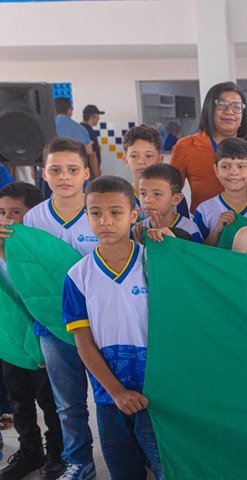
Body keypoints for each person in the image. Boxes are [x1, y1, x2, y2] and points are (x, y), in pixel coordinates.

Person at [62, 175, 163, 479]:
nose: (105, 221)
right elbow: (84, 342)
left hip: (157, 393)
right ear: (86, 215)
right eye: (96, 213)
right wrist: (116, 391)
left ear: (134, 215)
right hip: (109, 396)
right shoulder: (78, 276)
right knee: (123, 468)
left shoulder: (155, 264)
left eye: (116, 212)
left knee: (165, 466)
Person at [19, 138, 97, 478]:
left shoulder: (101, 209)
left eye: (71, 169)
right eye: (55, 170)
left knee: (113, 396)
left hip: (102, 321)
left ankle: (130, 453)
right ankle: (79, 460)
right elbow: (29, 277)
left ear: (86, 173)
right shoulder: (34, 218)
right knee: (67, 401)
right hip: (54, 325)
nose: (63, 177)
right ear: (43, 173)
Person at [0, 182, 65, 480]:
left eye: (15, 212)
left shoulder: (39, 251)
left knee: (49, 400)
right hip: (10, 341)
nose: (6, 219)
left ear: (32, 215)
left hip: (43, 340)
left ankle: (57, 452)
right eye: (1, 212)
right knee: (19, 398)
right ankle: (29, 450)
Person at [170, 81, 247, 212]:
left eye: (237, 106)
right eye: (222, 104)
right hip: (204, 226)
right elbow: (170, 192)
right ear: (209, 109)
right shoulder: (187, 146)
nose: (230, 111)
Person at [193, 138, 247, 246]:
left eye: (241, 166)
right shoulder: (204, 210)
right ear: (216, 170)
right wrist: (216, 230)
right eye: (225, 166)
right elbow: (198, 252)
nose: (233, 172)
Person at [123, 125, 190, 219]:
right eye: (134, 156)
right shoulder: (121, 197)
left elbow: (185, 231)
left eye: (149, 156)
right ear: (126, 160)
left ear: (160, 159)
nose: (141, 161)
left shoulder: (174, 197)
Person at [134, 163, 202, 243]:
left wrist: (163, 240)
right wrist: (140, 244)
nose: (148, 200)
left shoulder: (189, 229)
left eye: (157, 194)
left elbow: (195, 255)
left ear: (176, 199)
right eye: (143, 193)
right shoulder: (139, 229)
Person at [54, 98, 100, 179]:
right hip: (77, 174)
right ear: (69, 111)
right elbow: (90, 152)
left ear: (54, 111)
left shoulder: (46, 128)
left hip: (54, 174)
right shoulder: (81, 129)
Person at [80, 105, 104, 169]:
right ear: (92, 116)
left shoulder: (79, 129)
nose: (99, 118)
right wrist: (97, 174)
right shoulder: (90, 132)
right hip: (90, 170)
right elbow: (92, 156)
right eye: (97, 116)